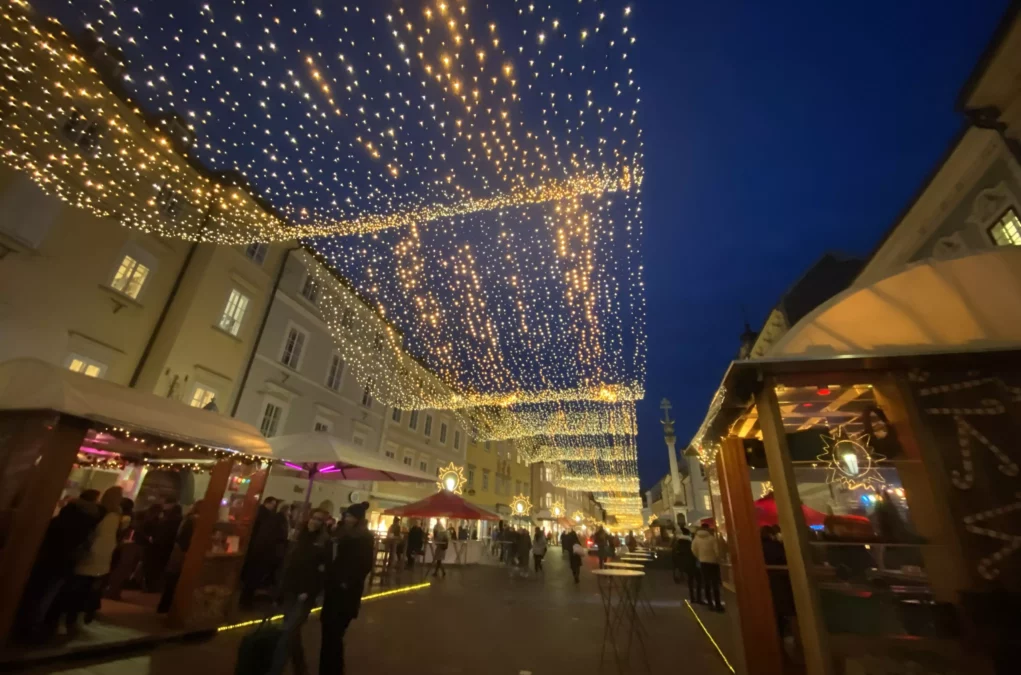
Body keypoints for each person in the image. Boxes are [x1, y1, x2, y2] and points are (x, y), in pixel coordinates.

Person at [16, 489, 103, 642]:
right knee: (48, 594)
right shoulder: (88, 524)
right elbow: (85, 546)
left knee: (36, 591)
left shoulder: (61, 519)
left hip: (46, 559)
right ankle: (33, 626)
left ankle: (24, 623)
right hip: (65, 563)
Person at [269, 510, 329, 675]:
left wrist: (309, 592)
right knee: (292, 634)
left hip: (304, 595)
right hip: (290, 590)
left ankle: (274, 671)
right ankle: (300, 669)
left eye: (319, 520)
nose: (314, 522)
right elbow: (287, 566)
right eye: (313, 518)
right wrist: (279, 591)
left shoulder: (323, 544)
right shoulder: (297, 539)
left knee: (287, 633)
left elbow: (321, 573)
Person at [319, 502, 374, 675]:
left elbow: (364, 565)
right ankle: (329, 668)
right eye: (346, 516)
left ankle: (332, 669)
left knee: (334, 633)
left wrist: (346, 581)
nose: (346, 518)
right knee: (329, 632)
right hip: (333, 588)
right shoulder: (341, 533)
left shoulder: (363, 537)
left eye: (349, 516)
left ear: (357, 519)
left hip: (346, 592)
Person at [66, 486, 124, 628]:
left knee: (76, 587)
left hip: (89, 554)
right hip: (101, 557)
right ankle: (79, 616)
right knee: (89, 588)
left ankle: (69, 617)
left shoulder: (98, 512)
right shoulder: (115, 516)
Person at [240, 496, 288, 609]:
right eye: (273, 504)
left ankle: (245, 601)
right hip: (261, 553)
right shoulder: (270, 518)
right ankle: (246, 602)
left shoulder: (265, 516)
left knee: (251, 578)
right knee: (253, 579)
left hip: (256, 550)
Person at [157, 500, 202, 613]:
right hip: (182, 552)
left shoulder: (188, 518)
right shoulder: (193, 520)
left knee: (173, 579)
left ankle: (165, 606)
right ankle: (168, 608)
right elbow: (184, 537)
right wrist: (186, 551)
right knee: (175, 579)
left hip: (179, 551)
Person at [691, 524, 723, 611]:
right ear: (708, 529)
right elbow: (717, 551)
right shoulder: (712, 538)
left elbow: (693, 550)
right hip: (713, 563)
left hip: (703, 563)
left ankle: (710, 604)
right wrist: (718, 558)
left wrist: (700, 557)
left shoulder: (696, 539)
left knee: (707, 584)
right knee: (715, 584)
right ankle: (718, 604)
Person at [673, 527, 701, 603]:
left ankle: (692, 597)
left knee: (690, 581)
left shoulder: (678, 542)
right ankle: (699, 598)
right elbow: (695, 552)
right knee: (698, 581)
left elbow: (676, 553)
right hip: (693, 562)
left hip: (684, 563)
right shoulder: (691, 542)